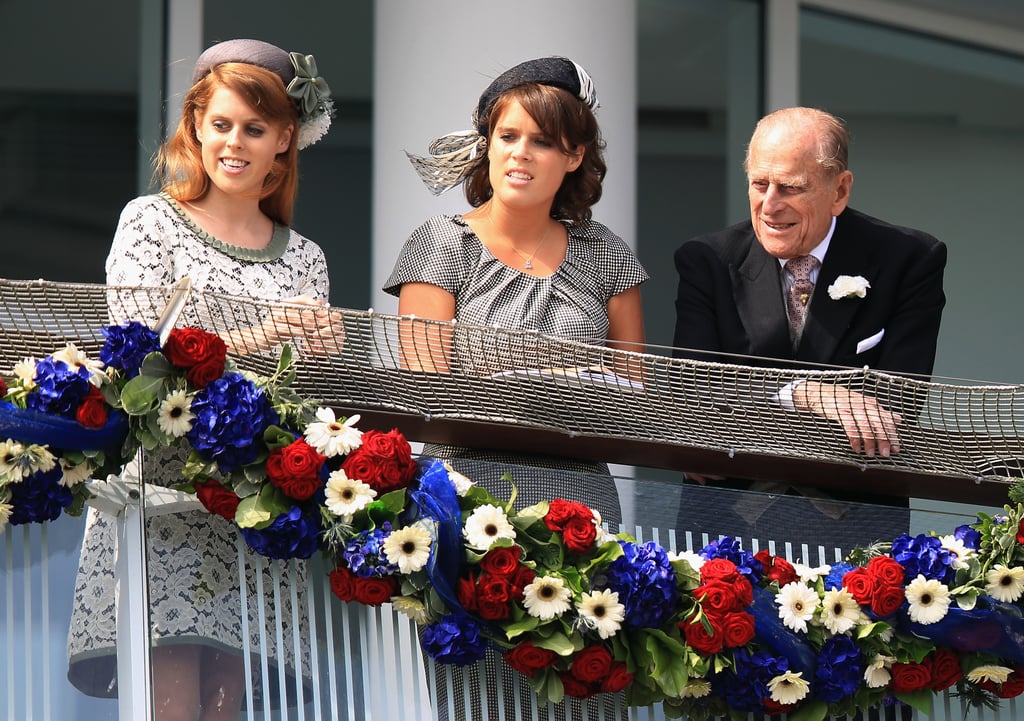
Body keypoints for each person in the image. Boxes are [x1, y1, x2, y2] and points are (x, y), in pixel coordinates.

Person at [66, 38, 337, 720]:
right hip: (159, 499)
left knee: (229, 705)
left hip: (254, 503)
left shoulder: (306, 257)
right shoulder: (151, 221)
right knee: (172, 703)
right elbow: (136, 359)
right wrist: (268, 332)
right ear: (195, 126)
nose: (234, 143)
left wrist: (329, 352)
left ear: (286, 137)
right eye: (220, 124)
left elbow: (306, 400)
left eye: (254, 128)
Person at [386, 56, 648, 721]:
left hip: (583, 512)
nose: (520, 153)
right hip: (470, 511)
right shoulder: (440, 243)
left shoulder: (608, 255)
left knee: (586, 696)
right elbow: (425, 394)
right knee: (479, 699)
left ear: (575, 154)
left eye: (542, 140)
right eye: (508, 136)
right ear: (487, 144)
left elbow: (637, 396)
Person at [672, 106, 946, 554]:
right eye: (759, 184)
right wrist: (808, 394)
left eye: (792, 188)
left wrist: (752, 411)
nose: (770, 204)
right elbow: (696, 402)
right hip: (726, 537)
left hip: (858, 540)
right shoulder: (707, 261)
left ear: (839, 190)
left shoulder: (909, 260)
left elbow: (897, 410)